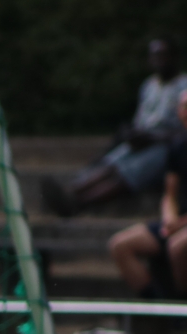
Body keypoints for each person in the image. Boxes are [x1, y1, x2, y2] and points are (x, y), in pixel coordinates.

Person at [44, 39, 187, 217]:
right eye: (154, 56)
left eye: (163, 56)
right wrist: (132, 133)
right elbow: (141, 120)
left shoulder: (184, 87)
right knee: (113, 161)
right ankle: (70, 192)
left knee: (130, 170)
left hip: (168, 145)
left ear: (175, 57)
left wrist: (153, 138)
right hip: (142, 141)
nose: (158, 61)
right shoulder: (149, 85)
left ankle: (77, 204)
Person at [109, 89, 187, 296]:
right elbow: (170, 194)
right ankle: (156, 303)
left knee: (177, 248)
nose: (185, 112)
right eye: (183, 107)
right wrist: (169, 218)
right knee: (120, 245)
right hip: (177, 223)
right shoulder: (178, 147)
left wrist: (180, 224)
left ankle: (181, 306)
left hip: (183, 226)